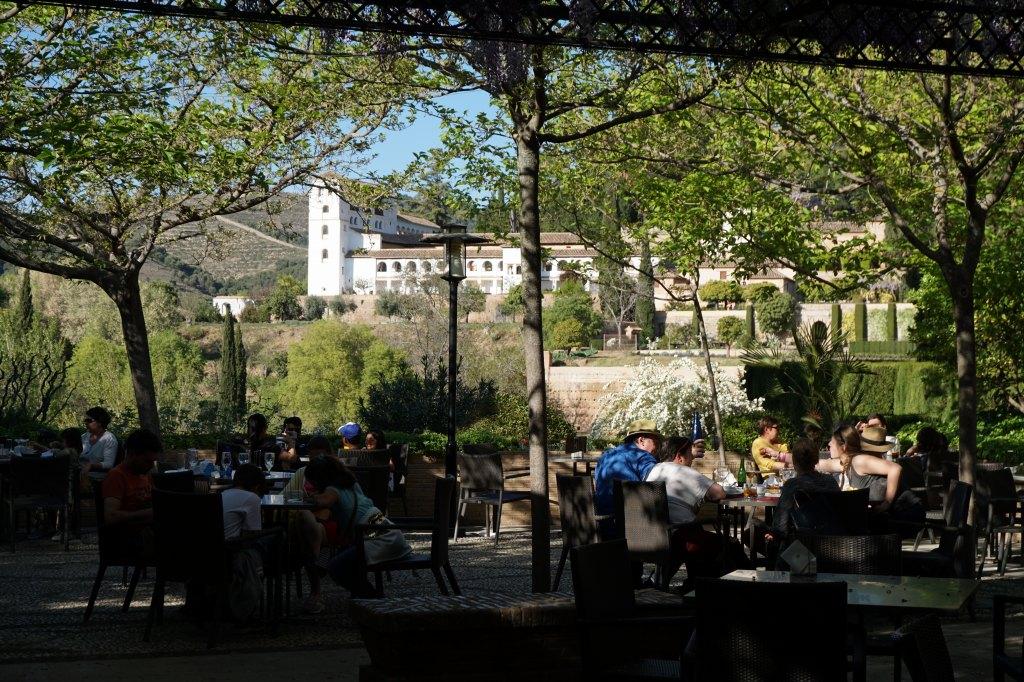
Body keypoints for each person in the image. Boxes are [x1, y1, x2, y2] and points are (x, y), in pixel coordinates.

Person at [646, 437, 742, 581]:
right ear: (679, 456)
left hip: (652, 536)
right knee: (731, 544)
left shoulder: (655, 469)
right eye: (690, 455)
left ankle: (671, 582)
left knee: (697, 534)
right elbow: (719, 493)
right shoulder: (683, 471)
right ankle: (746, 587)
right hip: (679, 537)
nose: (692, 460)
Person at [816, 424, 924, 529]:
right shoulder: (847, 462)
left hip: (907, 512)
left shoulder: (859, 460)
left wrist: (887, 502)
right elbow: (823, 464)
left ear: (843, 447)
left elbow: (895, 468)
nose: (828, 444)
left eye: (832, 442)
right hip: (891, 514)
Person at [594, 419, 663, 538]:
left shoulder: (605, 456)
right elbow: (656, 489)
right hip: (633, 532)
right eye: (656, 442)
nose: (657, 448)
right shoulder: (643, 457)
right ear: (641, 440)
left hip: (603, 528)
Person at [765, 438, 840, 543]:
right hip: (832, 542)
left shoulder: (793, 485)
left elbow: (780, 527)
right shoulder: (830, 481)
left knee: (754, 529)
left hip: (801, 545)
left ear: (794, 461)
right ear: (816, 460)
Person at [222, 464, 265, 541]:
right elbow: (251, 535)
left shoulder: (223, 493)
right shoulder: (252, 497)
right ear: (257, 486)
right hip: (231, 545)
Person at [82, 407, 118, 471]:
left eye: (89, 420)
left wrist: (91, 466)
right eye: (85, 420)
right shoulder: (84, 437)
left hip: (97, 475)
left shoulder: (109, 439)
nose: (86, 423)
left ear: (100, 422)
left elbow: (109, 464)